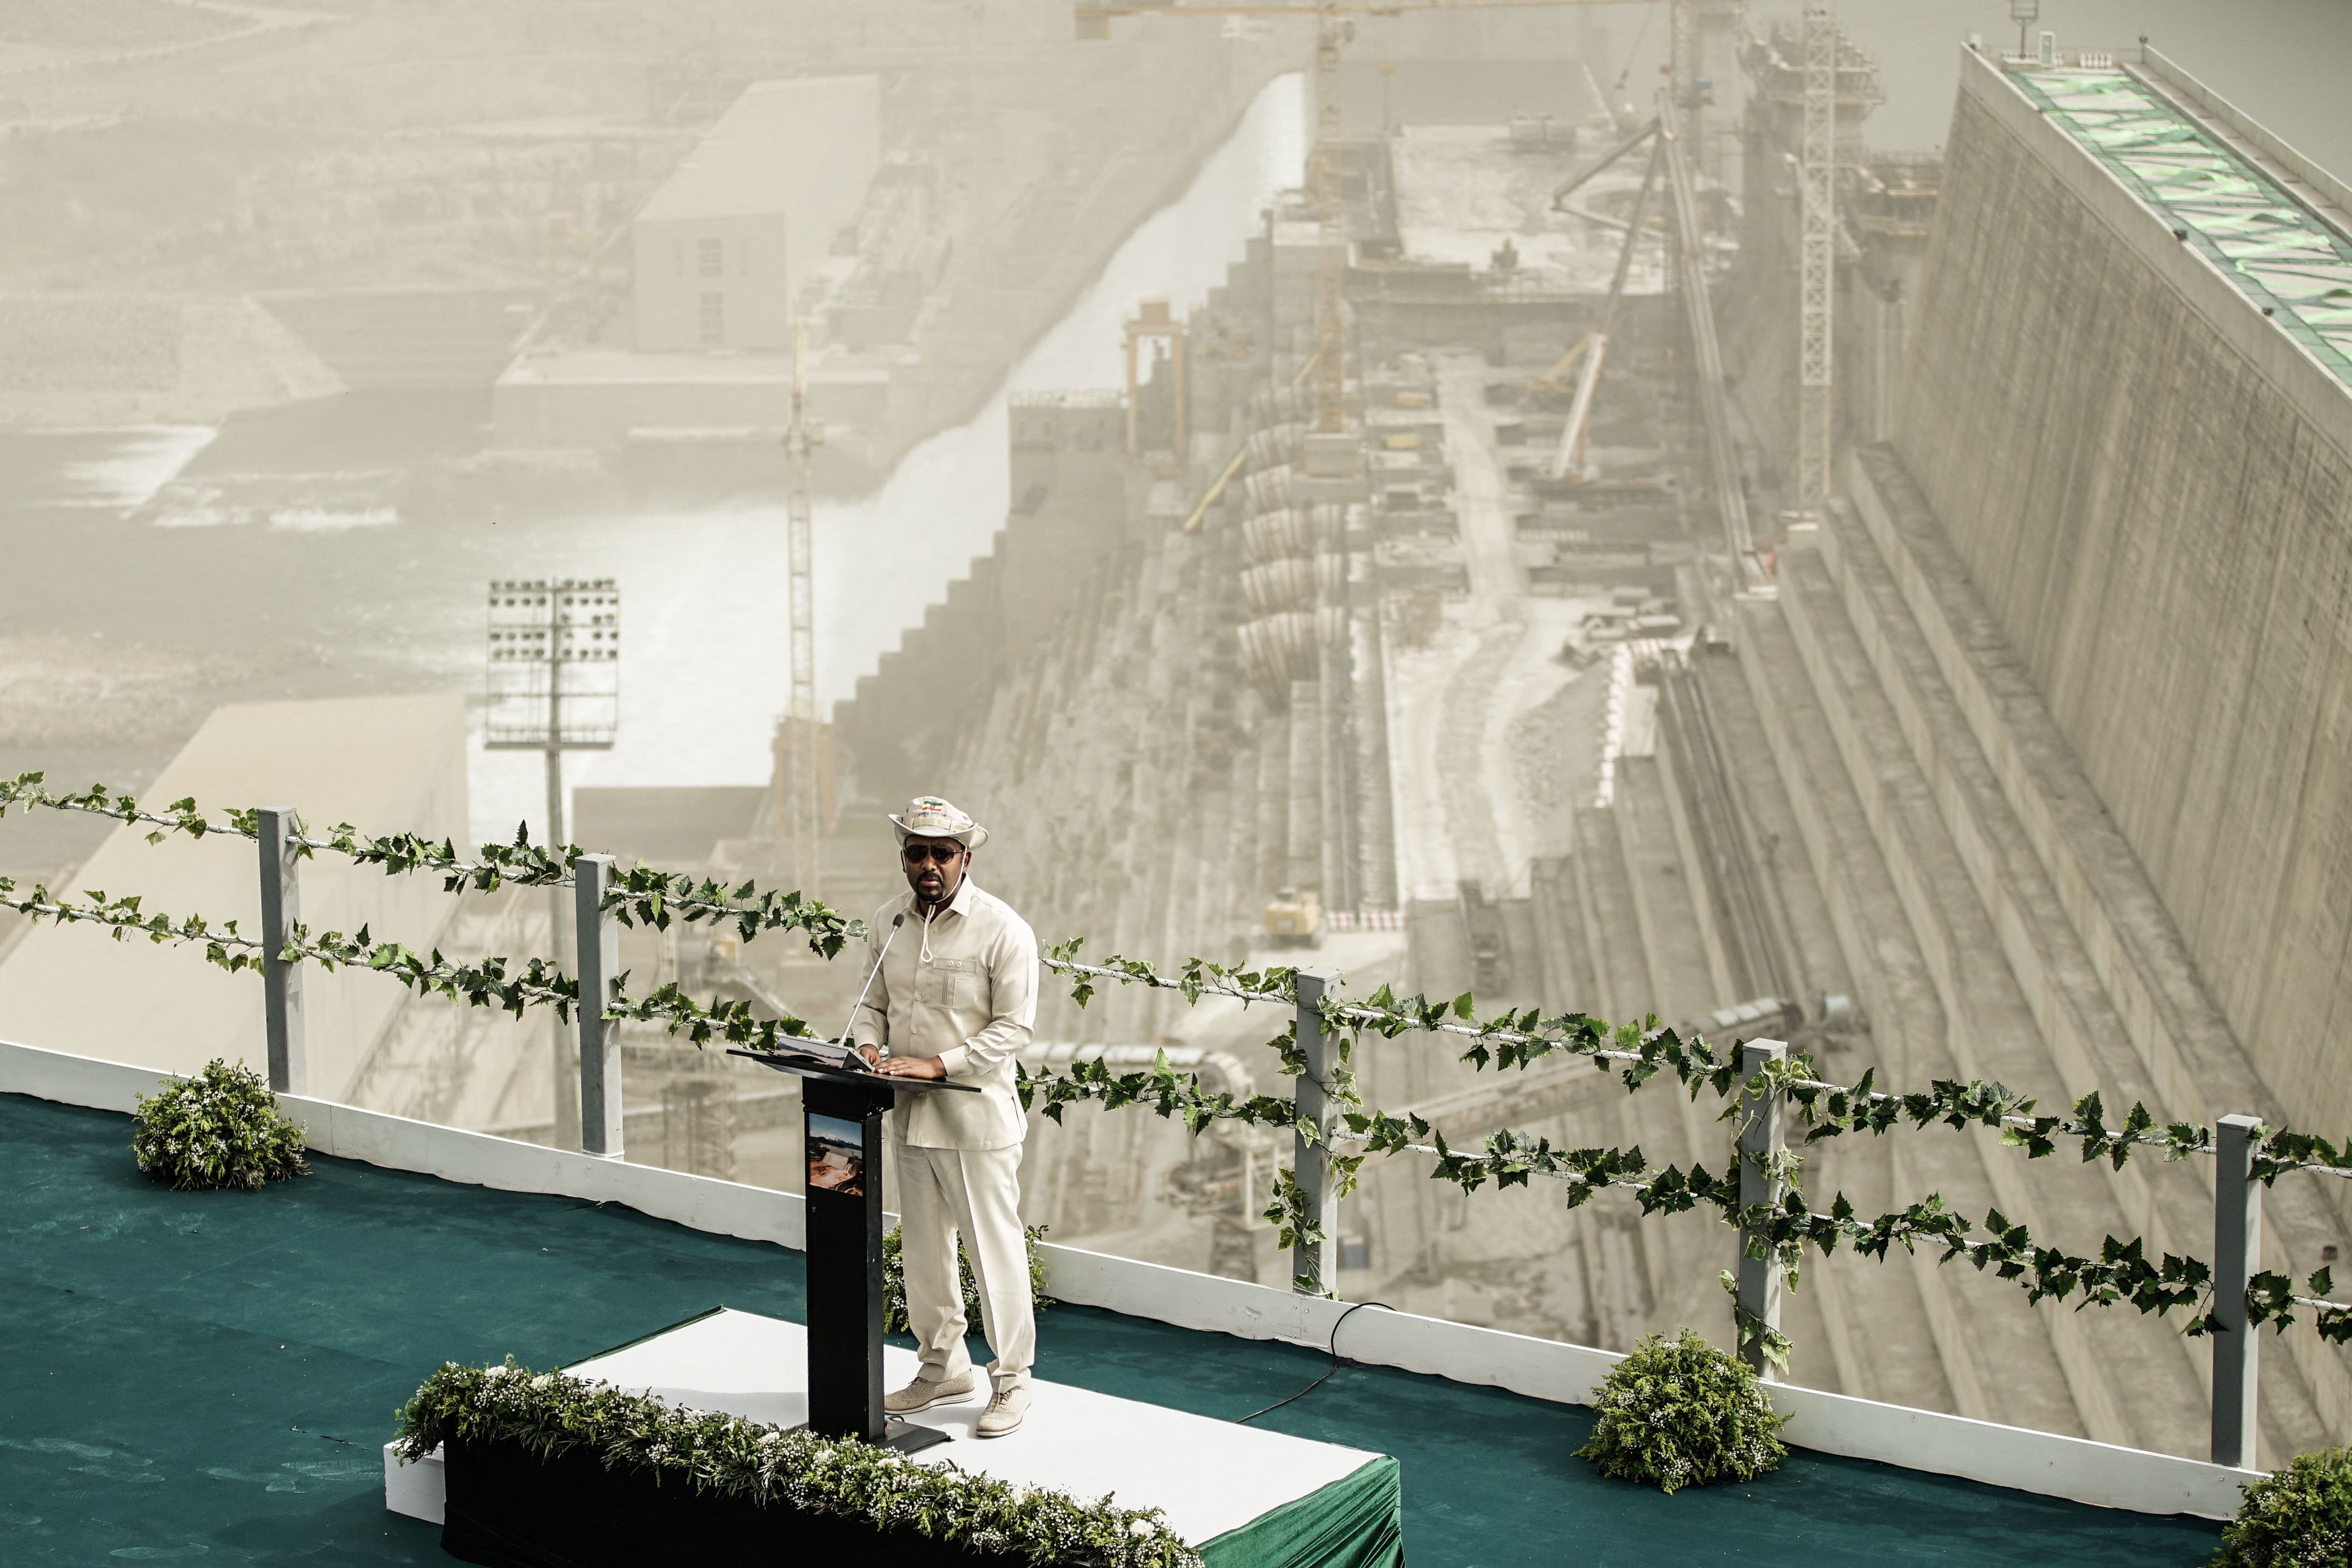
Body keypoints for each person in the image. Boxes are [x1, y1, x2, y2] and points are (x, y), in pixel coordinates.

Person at [852, 795, 1040, 1437]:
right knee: (925, 1253)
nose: (928, 865)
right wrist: (869, 1044)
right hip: (907, 1117)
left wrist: (938, 1064)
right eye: (916, 852)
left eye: (941, 853)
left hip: (976, 1122)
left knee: (995, 1252)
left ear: (965, 857)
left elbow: (1014, 1029)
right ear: (903, 857)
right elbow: (872, 1002)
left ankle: (1012, 1379)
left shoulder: (1003, 929)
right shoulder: (889, 922)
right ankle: (942, 1366)